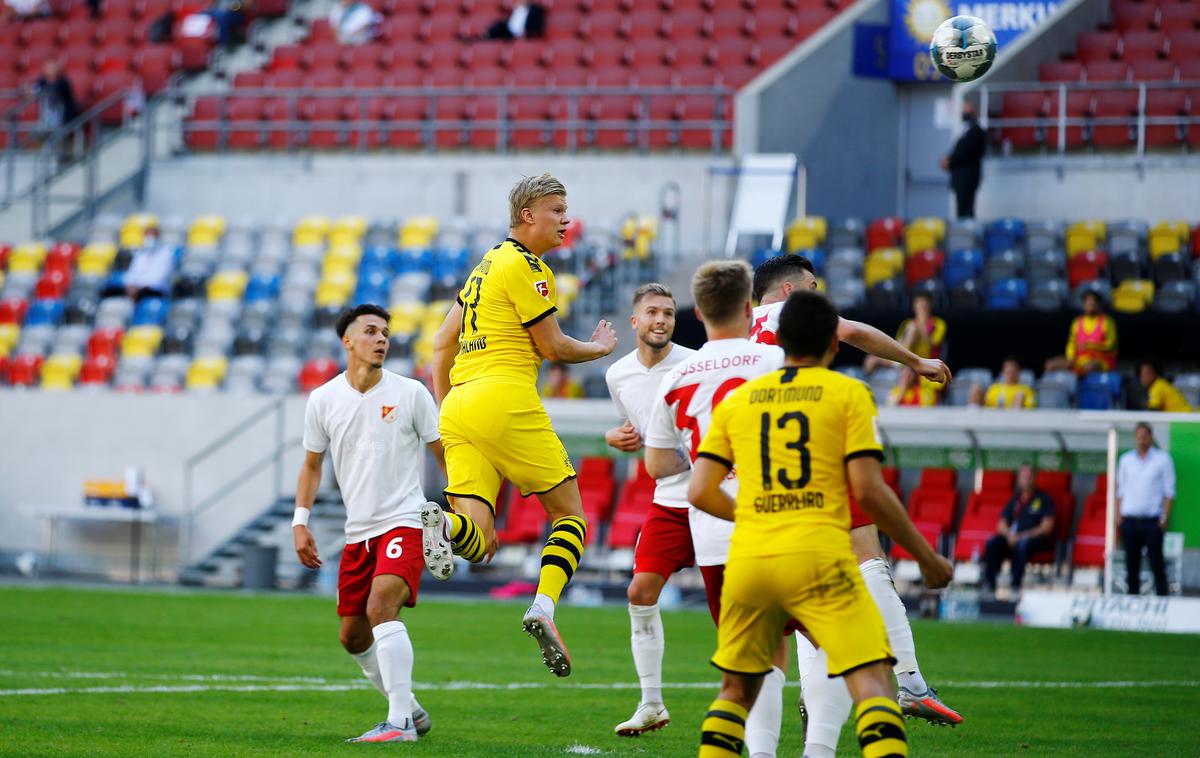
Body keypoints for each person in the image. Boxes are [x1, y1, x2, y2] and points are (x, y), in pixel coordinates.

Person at [689, 290, 953, 758]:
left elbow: (700, 491)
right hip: (818, 556)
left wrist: (758, 519)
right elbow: (870, 492)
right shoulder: (850, 394)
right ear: (834, 345)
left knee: (736, 690)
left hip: (752, 561)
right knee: (871, 678)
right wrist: (927, 557)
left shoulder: (741, 400)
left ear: (777, 344)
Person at [426, 173, 617, 677]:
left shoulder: (481, 269)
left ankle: (439, 525)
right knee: (571, 516)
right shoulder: (526, 266)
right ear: (527, 215)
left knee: (480, 540)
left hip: (460, 402)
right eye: (557, 209)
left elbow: (442, 344)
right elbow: (553, 346)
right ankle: (543, 607)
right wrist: (598, 348)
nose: (565, 220)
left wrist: (450, 410)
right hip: (505, 396)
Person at [642, 260, 788, 757]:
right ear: (749, 308)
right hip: (780, 520)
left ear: (698, 313)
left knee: (743, 654)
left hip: (714, 530)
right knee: (815, 645)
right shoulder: (775, 363)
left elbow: (658, 464)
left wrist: (704, 452)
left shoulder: (678, 376)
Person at [292, 304, 444, 743]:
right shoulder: (323, 399)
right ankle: (409, 707)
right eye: (371, 331)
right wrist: (300, 521)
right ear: (348, 341)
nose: (382, 339)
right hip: (358, 533)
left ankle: (397, 725)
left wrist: (472, 511)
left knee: (381, 609)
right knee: (352, 637)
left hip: (405, 520)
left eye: (385, 333)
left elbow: (443, 455)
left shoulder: (411, 392)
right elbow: (311, 466)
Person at [603, 283, 695, 737]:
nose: (661, 320)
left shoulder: (696, 364)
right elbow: (634, 428)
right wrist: (614, 438)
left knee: (749, 602)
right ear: (634, 321)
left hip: (718, 499)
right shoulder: (617, 375)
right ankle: (652, 704)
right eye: (653, 313)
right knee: (640, 592)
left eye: (669, 314)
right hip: (668, 502)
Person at [1117, 422, 1175, 596]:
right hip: (1130, 520)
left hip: (1152, 521)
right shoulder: (1126, 460)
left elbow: (1169, 492)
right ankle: (1133, 603)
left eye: (1145, 435)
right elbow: (1120, 491)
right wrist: (1118, 518)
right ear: (1135, 437)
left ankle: (1164, 602)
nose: (1142, 439)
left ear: (1151, 437)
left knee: (1157, 564)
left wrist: (1163, 518)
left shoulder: (1163, 460)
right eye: (1139, 435)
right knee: (1131, 565)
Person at [980, 464, 1055, 596]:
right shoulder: (1015, 499)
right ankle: (989, 587)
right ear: (1019, 479)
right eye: (1023, 476)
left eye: (1029, 476)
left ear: (1034, 478)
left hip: (1034, 541)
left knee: (1023, 544)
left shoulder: (1044, 499)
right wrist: (1009, 535)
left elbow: (1047, 527)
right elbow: (1001, 524)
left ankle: (1015, 588)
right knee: (993, 543)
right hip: (1012, 539)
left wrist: (1022, 536)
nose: (1026, 479)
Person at [1044, 290, 1117, 375]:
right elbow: (1071, 343)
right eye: (1087, 303)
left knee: (1089, 367)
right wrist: (1070, 358)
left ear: (1099, 305)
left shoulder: (1107, 322)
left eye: (1093, 303)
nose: (1090, 306)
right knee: (1050, 365)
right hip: (1080, 360)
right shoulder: (1077, 322)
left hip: (1101, 361)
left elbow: (1111, 345)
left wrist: (1090, 345)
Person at [940, 100, 986, 219]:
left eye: (967, 108)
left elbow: (964, 152)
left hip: (967, 177)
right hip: (961, 177)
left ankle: (965, 235)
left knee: (965, 211)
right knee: (962, 210)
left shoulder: (976, 131)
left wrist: (949, 161)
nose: (964, 112)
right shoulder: (966, 131)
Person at [31, 62, 81, 156]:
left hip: (64, 115)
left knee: (59, 131)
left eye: (53, 69)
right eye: (48, 69)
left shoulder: (63, 82)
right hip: (47, 115)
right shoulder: (41, 81)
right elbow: (34, 91)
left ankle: (63, 153)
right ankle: (47, 151)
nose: (50, 71)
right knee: (37, 131)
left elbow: (58, 94)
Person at [123, 221, 176, 301]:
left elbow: (158, 280)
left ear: (158, 237)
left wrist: (139, 287)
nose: (149, 239)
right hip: (138, 291)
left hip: (156, 292)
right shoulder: (140, 255)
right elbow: (131, 274)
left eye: (152, 236)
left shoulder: (166, 255)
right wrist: (131, 286)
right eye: (147, 236)